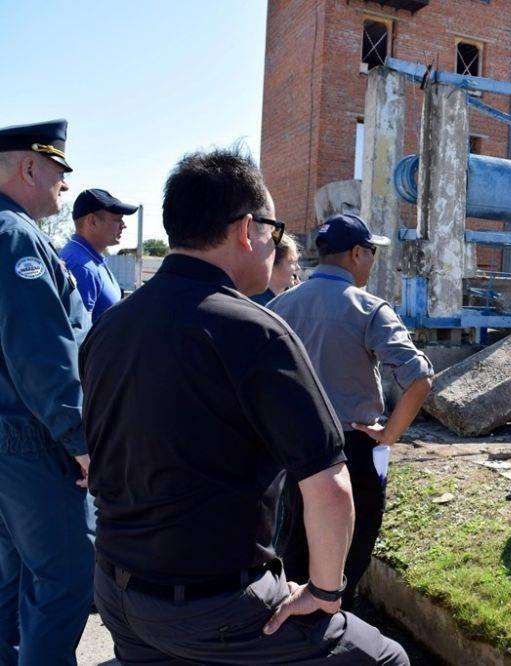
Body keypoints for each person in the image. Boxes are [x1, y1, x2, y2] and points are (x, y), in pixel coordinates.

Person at [80, 148, 407, 665]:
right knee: (386, 659)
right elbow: (329, 486)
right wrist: (324, 593)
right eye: (274, 233)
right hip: (214, 603)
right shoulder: (254, 332)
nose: (275, 247)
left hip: (118, 589)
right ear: (246, 229)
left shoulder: (111, 328)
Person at [270, 213, 433, 609]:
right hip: (353, 449)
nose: (372, 260)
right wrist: (389, 435)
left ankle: (293, 631)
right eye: (372, 252)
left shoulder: (278, 308)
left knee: (295, 546)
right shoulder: (369, 309)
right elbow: (419, 378)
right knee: (349, 553)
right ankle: (336, 630)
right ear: (357, 253)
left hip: (293, 449)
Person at [0, 120, 95, 665]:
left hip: (11, 435)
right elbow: (40, 350)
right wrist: (78, 438)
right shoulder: (16, 236)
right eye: (58, 171)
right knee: (63, 582)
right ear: (30, 166)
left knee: (11, 586)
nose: (63, 186)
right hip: (29, 438)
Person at [60, 188, 138, 321]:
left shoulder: (90, 259)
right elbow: (79, 335)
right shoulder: (81, 266)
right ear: (92, 222)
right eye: (117, 219)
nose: (123, 225)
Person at [250, 232, 300, 305]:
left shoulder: (293, 298)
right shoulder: (255, 303)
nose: (298, 268)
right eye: (291, 262)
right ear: (271, 262)